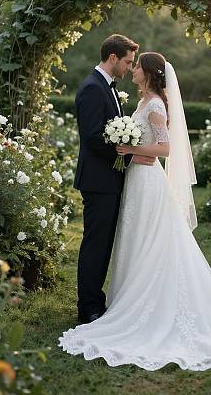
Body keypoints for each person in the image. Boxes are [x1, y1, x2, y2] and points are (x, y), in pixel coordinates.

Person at [61, 51, 211, 371]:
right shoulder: (145, 100)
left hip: (147, 181)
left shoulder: (156, 104)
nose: (133, 71)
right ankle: (127, 299)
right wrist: (130, 153)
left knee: (152, 241)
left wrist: (130, 149)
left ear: (149, 72)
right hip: (135, 181)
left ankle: (150, 304)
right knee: (136, 240)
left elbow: (164, 148)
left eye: (137, 68)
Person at [73, 34, 155, 325]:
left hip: (107, 180)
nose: (129, 68)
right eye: (128, 62)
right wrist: (126, 155)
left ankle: (96, 301)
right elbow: (94, 138)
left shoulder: (106, 87)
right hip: (98, 181)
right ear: (112, 59)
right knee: (96, 244)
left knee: (103, 243)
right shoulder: (93, 89)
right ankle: (89, 308)